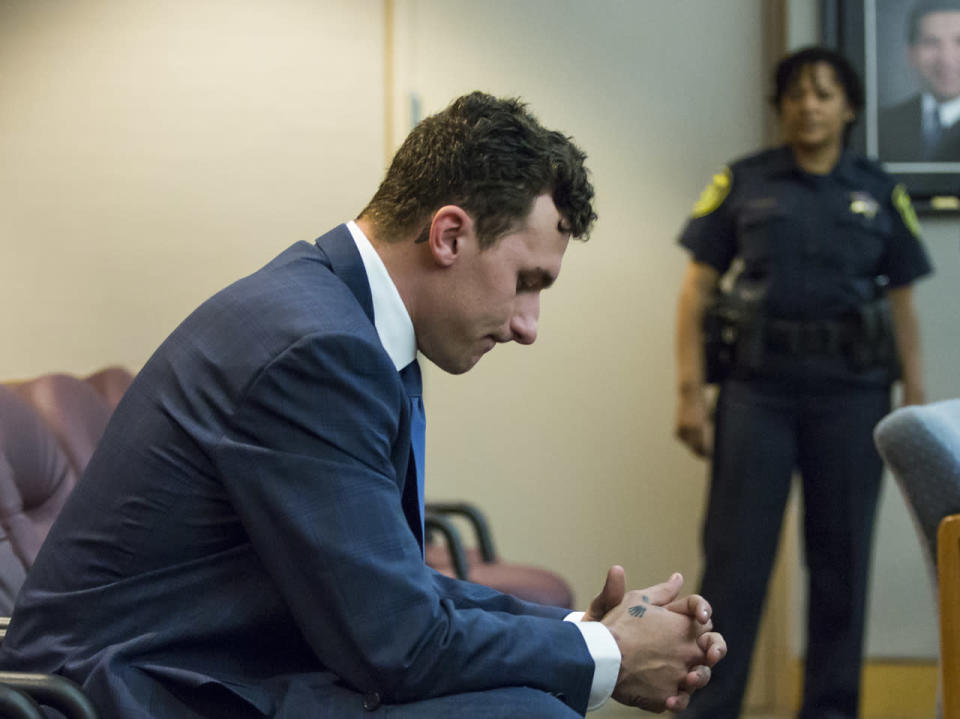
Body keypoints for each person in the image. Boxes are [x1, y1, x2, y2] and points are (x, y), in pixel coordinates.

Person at [0, 92, 725, 718]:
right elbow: (399, 642)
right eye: (527, 280)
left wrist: (580, 628)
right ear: (449, 234)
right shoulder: (314, 347)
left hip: (218, 663)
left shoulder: (342, 319)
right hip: (130, 691)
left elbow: (387, 589)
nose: (528, 324)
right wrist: (605, 654)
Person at [674, 48, 932, 719]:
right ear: (780, 106)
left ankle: (831, 709)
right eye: (795, 94)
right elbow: (696, 292)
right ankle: (712, 707)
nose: (808, 105)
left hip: (853, 397)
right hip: (757, 395)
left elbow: (903, 306)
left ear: (848, 107)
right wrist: (687, 391)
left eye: (823, 93)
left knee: (841, 565)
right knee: (734, 563)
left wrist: (918, 403)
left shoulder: (879, 190)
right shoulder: (744, 182)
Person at [879, 0, 960, 161]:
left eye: (959, 42)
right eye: (931, 42)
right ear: (911, 53)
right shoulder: (882, 125)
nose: (946, 58)